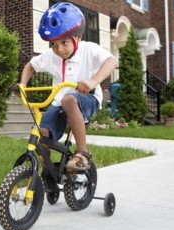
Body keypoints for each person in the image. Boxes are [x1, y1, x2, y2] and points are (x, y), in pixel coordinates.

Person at [18, 2, 118, 171]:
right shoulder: (51, 56)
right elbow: (30, 66)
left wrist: (92, 81)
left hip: (88, 98)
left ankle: (82, 154)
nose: (59, 49)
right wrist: (22, 84)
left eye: (64, 42)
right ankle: (47, 173)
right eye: (54, 44)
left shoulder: (89, 49)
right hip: (58, 102)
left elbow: (112, 61)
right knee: (43, 132)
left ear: (77, 37)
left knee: (69, 100)